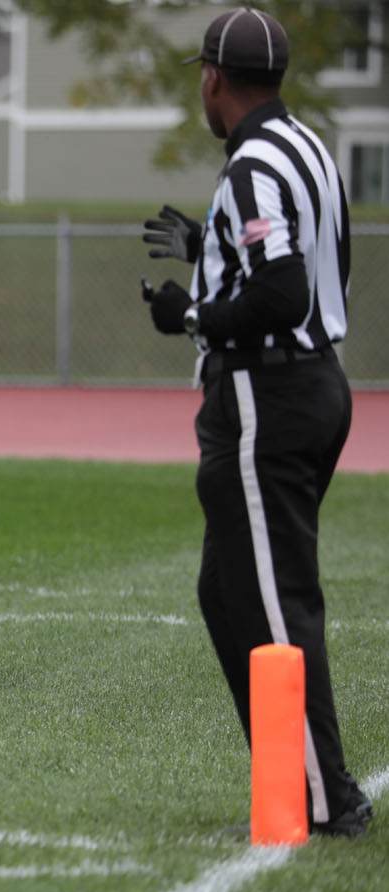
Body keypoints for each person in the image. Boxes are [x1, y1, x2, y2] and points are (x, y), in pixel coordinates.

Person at [141, 7, 369, 837]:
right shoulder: (307, 149)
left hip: (265, 398)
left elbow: (281, 294)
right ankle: (297, 766)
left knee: (274, 604)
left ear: (212, 79)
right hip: (315, 384)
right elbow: (310, 264)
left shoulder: (249, 168)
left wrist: (191, 314)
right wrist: (211, 245)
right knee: (227, 591)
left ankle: (323, 794)